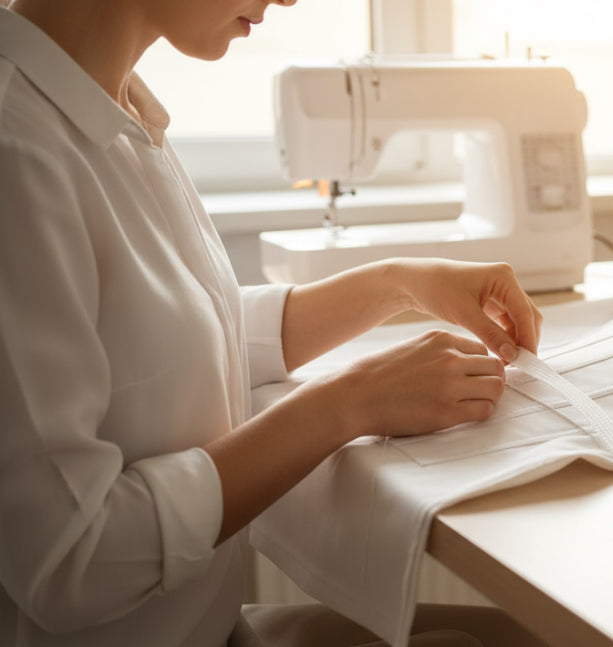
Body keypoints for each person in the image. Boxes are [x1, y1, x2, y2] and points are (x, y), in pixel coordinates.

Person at [0, 0, 547, 645]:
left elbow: (181, 332)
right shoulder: (17, 153)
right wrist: (348, 404)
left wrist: (397, 283)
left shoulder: (111, 109)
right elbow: (72, 561)